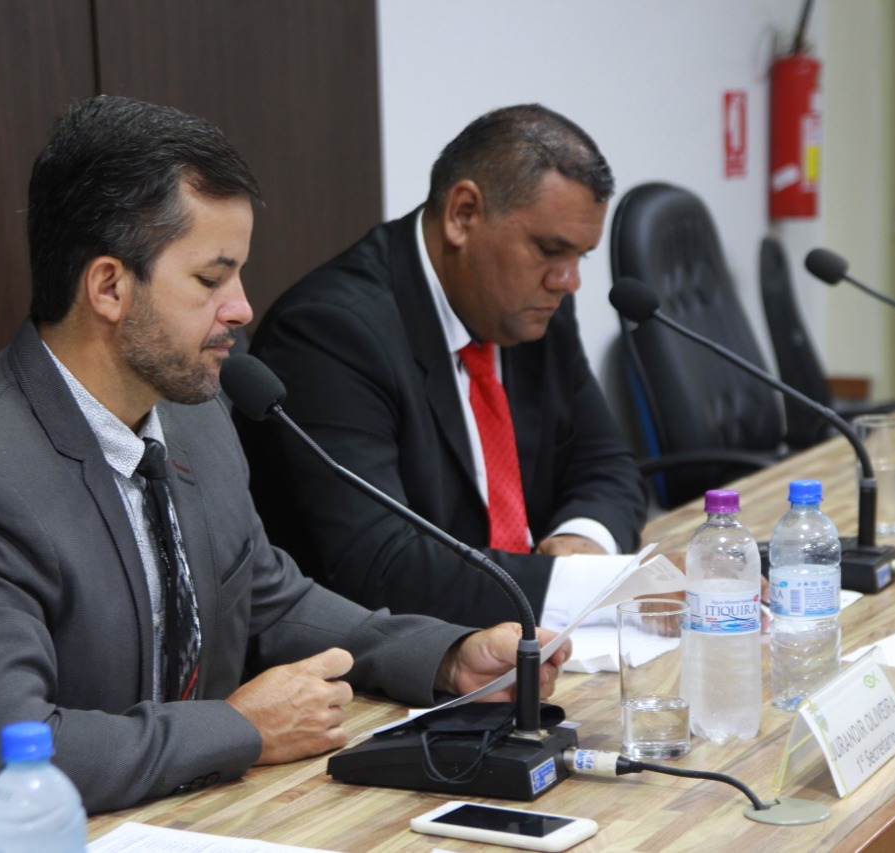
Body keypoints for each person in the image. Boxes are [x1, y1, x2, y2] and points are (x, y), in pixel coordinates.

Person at [0, 96, 568, 850]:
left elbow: (269, 598)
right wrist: (239, 727)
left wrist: (445, 656)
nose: (241, 308)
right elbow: (5, 757)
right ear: (109, 287)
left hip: (170, 821)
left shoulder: (194, 416)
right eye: (212, 279)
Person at [243, 104, 648, 629]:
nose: (568, 281)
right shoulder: (329, 333)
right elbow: (380, 566)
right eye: (551, 250)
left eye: (581, 257)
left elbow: (607, 463)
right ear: (463, 214)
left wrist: (583, 540)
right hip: (382, 662)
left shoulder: (535, 309)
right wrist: (595, 586)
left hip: (530, 643)